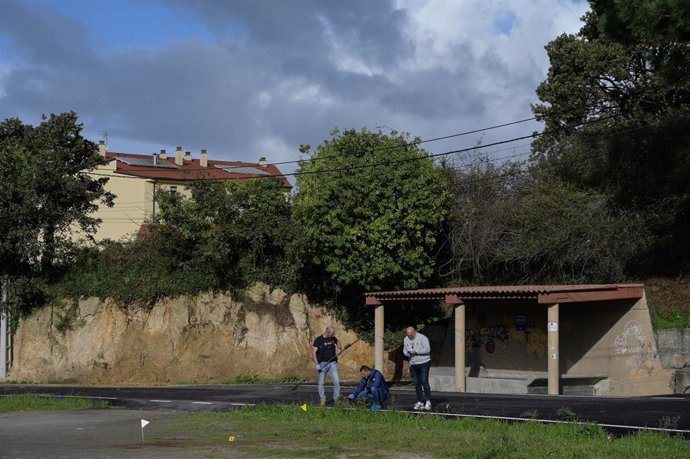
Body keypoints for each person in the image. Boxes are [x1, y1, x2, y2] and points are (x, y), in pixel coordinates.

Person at [403, 326, 432, 411]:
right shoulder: (406, 339)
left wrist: (417, 352)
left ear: (414, 332)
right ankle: (420, 401)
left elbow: (428, 349)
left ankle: (428, 401)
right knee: (416, 383)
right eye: (408, 335)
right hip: (413, 363)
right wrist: (407, 353)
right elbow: (404, 350)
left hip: (424, 362)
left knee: (424, 381)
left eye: (411, 335)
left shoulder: (423, 338)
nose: (410, 337)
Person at [312, 326, 342, 406]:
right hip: (322, 364)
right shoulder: (318, 340)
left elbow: (338, 343)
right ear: (327, 331)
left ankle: (336, 399)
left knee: (337, 382)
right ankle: (322, 399)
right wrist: (317, 365)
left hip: (333, 363)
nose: (332, 336)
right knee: (321, 383)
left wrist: (339, 349)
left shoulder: (333, 338)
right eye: (331, 334)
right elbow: (314, 352)